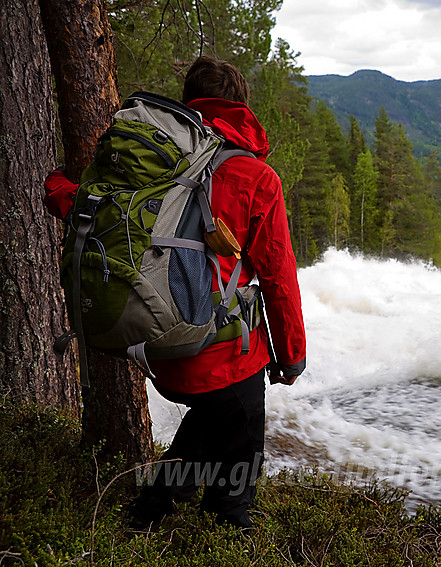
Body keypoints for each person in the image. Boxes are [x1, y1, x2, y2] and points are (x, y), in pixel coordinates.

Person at [43, 56, 307, 529]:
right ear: (241, 106)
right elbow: (278, 278)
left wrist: (57, 185)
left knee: (209, 417)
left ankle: (149, 511)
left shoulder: (155, 162)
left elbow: (95, 210)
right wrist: (291, 356)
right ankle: (228, 526)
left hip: (155, 340)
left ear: (190, 103)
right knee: (241, 449)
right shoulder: (255, 177)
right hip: (218, 348)